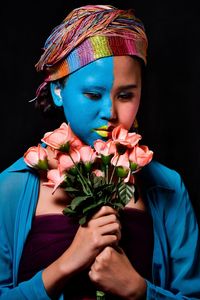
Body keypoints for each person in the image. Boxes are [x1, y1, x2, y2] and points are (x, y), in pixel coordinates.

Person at [0, 4, 200, 300]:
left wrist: (138, 290)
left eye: (126, 95)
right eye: (93, 94)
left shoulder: (167, 188)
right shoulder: (11, 189)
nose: (110, 111)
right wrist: (66, 265)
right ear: (58, 90)